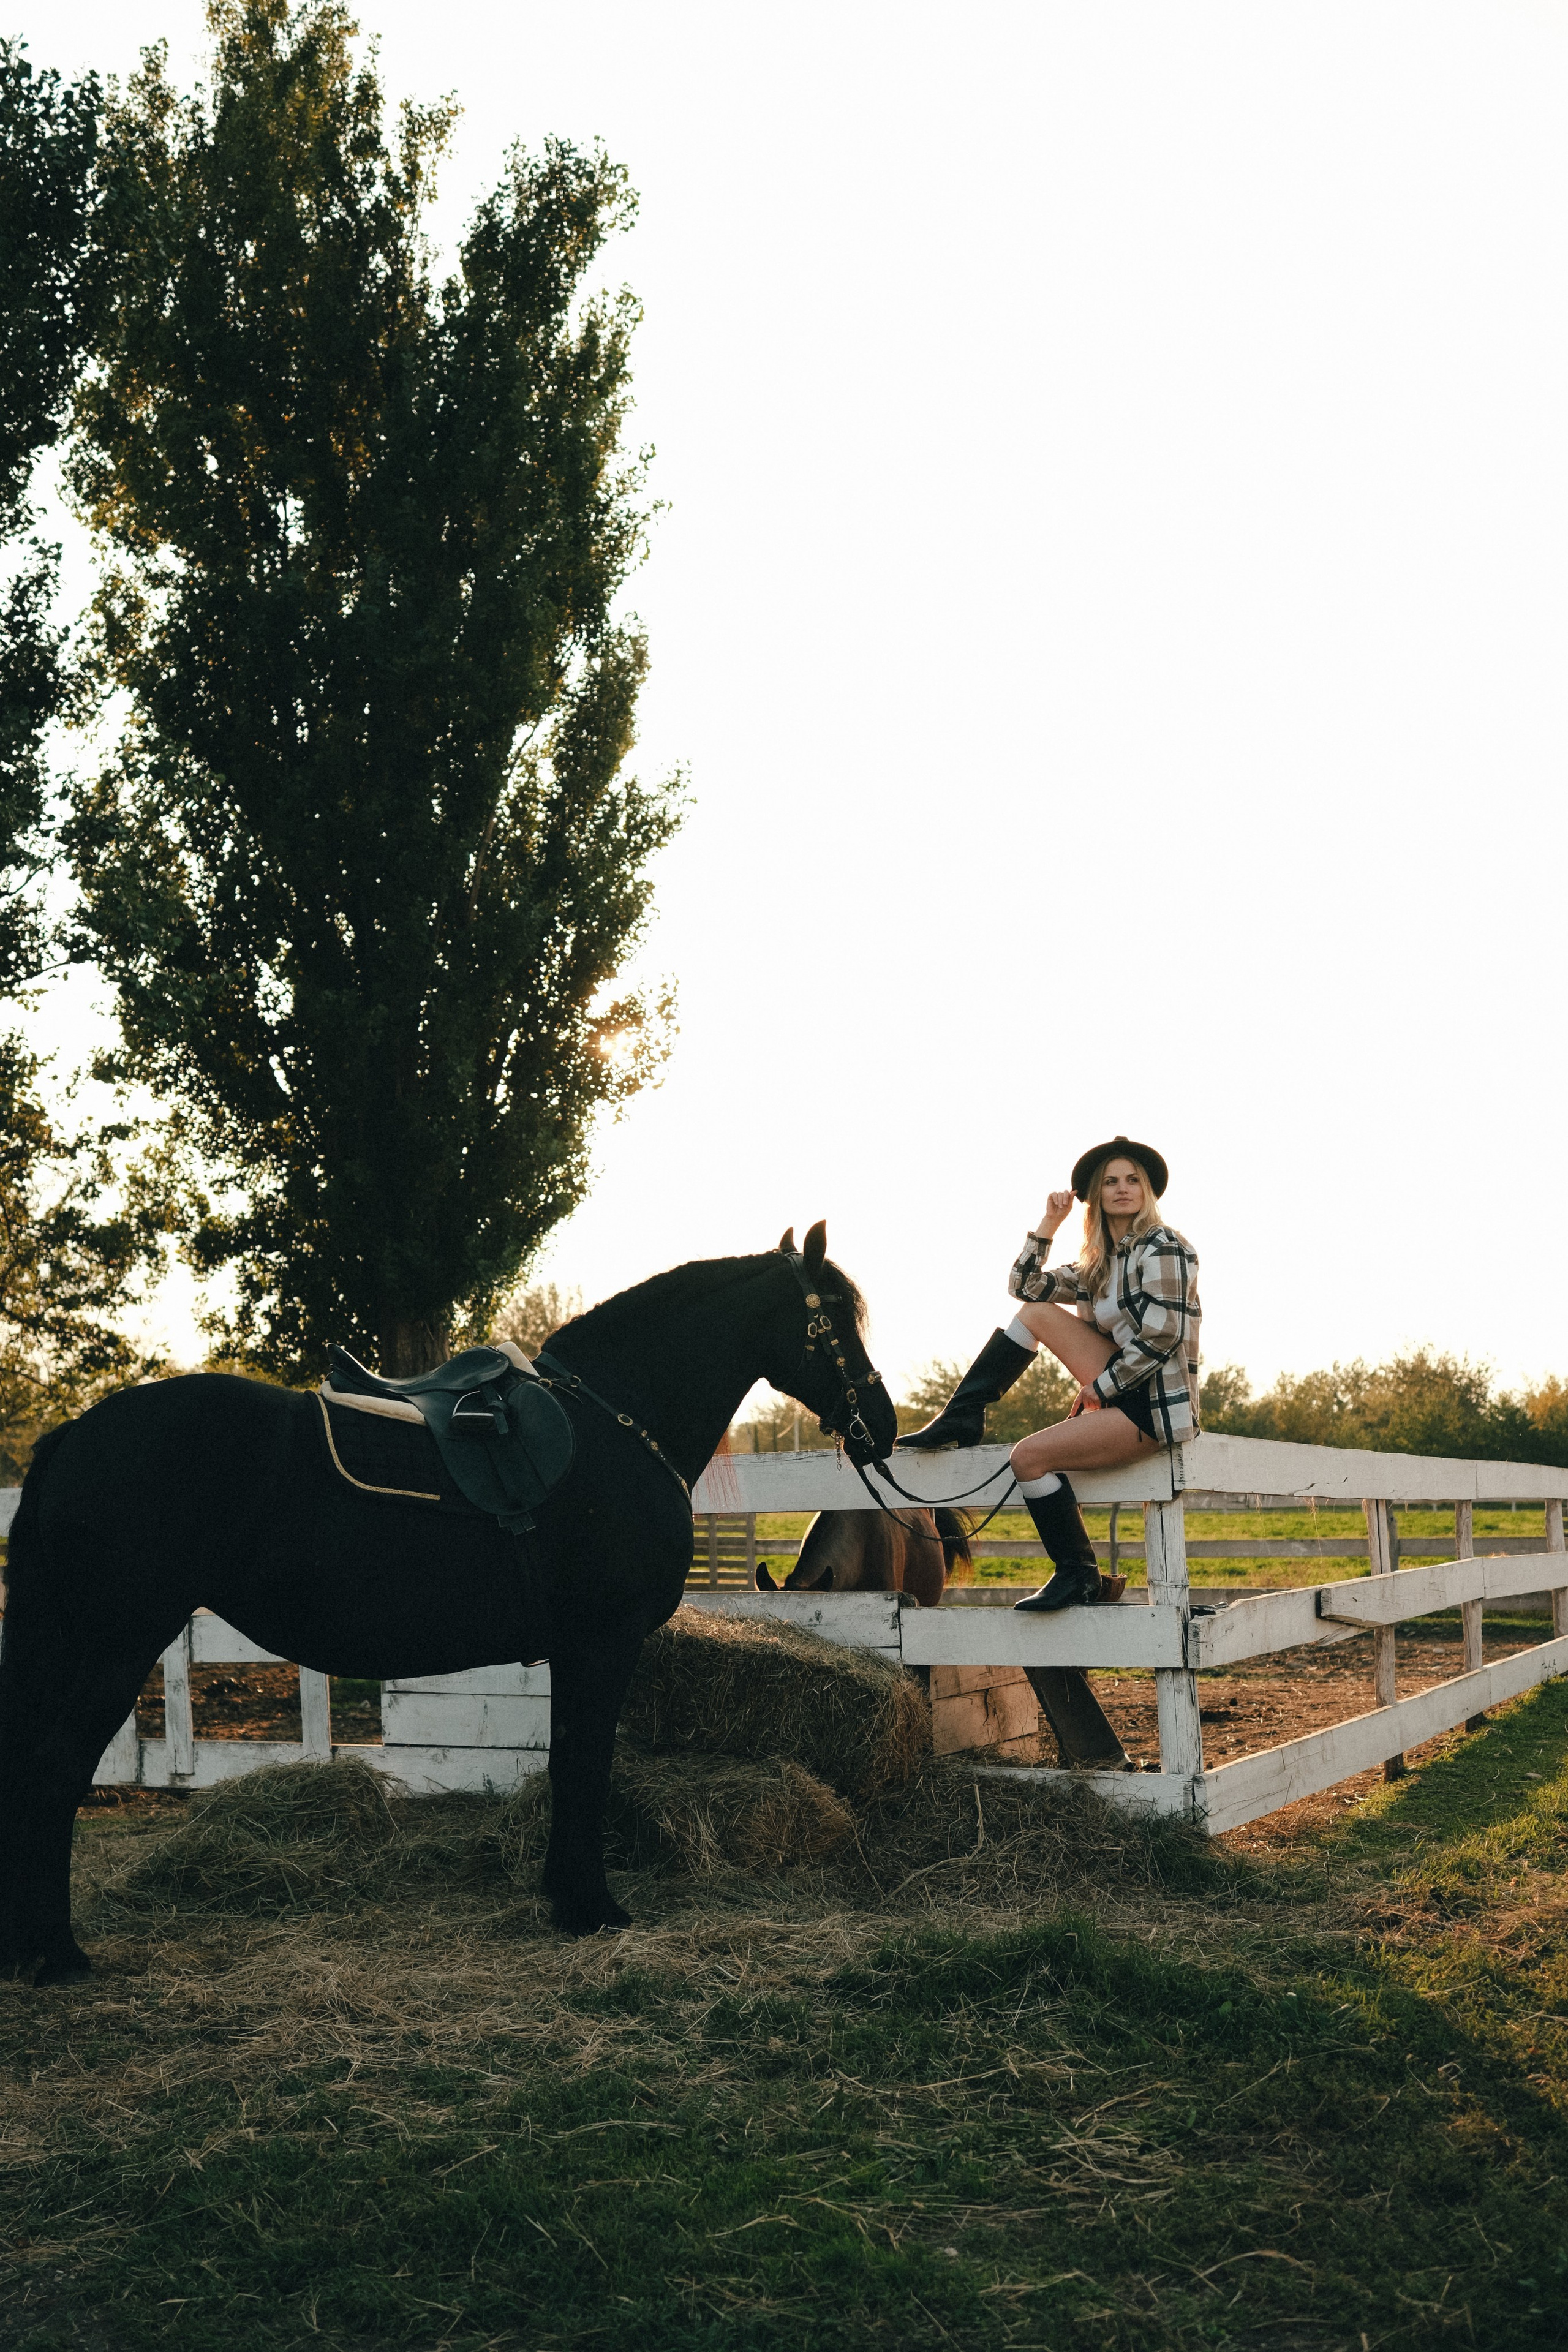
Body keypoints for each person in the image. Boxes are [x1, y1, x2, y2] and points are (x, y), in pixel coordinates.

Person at [897, 1136, 1200, 1613]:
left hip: (1151, 1404)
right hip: (1118, 1386)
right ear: (1096, 1195)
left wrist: (1100, 1388)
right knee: (1036, 1312)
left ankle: (1078, 1574)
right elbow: (1024, 1285)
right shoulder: (1099, 1263)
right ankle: (962, 1416)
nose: (1123, 1189)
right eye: (1111, 1182)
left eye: (1133, 1180)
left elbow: (1163, 1336)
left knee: (1029, 1458)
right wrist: (1048, 1224)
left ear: (1148, 1191)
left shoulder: (1164, 1247)